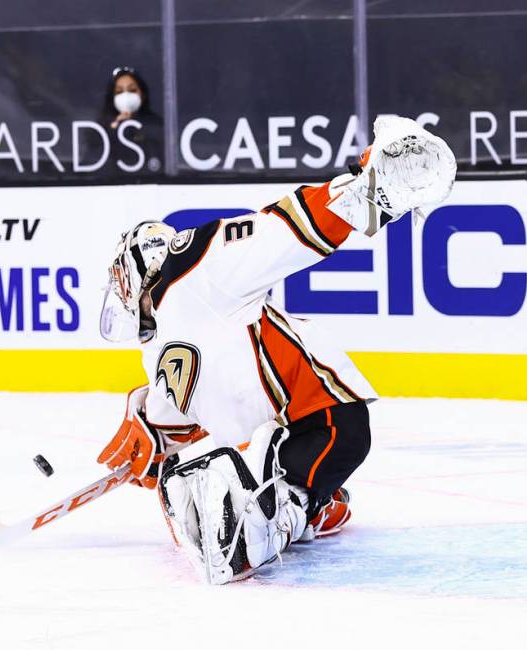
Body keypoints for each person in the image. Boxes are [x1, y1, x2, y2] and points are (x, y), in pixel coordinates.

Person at [97, 116, 456, 583]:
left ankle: (290, 507)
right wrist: (151, 440)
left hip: (316, 413)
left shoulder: (199, 267)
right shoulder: (157, 348)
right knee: (221, 474)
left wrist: (365, 190)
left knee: (337, 442)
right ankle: (296, 507)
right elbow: (173, 422)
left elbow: (281, 231)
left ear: (136, 266)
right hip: (280, 437)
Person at [88, 66, 164, 176]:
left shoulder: (156, 124)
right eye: (119, 92)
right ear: (112, 98)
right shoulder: (100, 129)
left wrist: (140, 131)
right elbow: (90, 166)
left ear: (142, 94)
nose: (126, 96)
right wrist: (112, 131)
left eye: (132, 90)